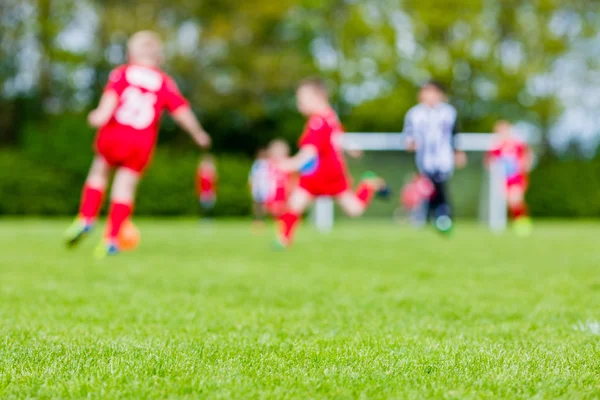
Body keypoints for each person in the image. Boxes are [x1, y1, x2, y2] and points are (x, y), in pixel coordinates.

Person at [64, 31, 211, 257]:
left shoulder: (122, 73)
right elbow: (182, 112)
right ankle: (111, 239)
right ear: (159, 58)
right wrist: (198, 133)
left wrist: (100, 115)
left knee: (99, 172)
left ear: (130, 53)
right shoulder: (164, 81)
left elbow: (110, 101)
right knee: (125, 187)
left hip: (114, 134)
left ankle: (86, 217)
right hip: (141, 142)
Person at [275, 78, 387, 248]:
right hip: (320, 173)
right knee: (295, 204)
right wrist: (350, 147)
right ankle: (283, 241)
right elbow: (337, 136)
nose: (299, 105)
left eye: (302, 100)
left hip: (327, 173)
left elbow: (310, 152)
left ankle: (368, 184)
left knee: (354, 210)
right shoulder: (330, 116)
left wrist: (290, 164)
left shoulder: (318, 122)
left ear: (317, 97)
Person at [403, 80, 466, 235]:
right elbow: (408, 136)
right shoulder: (414, 113)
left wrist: (458, 152)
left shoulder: (448, 112)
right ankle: (437, 217)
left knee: (439, 187)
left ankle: (442, 217)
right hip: (424, 160)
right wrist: (410, 143)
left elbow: (455, 134)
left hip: (443, 159)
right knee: (428, 189)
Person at [486, 120, 534, 236]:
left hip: (517, 177)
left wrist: (525, 164)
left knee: (515, 199)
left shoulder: (518, 145)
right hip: (504, 180)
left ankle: (523, 224)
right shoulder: (496, 148)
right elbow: (489, 162)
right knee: (511, 202)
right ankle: (519, 222)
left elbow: (527, 157)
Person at [265, 139, 294, 218]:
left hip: (284, 190)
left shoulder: (288, 162)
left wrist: (291, 188)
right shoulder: (268, 164)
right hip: (272, 190)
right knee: (274, 209)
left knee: (285, 208)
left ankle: (284, 221)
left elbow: (292, 178)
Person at [248, 149, 271, 224]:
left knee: (263, 204)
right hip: (258, 187)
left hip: (265, 187)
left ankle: (261, 219)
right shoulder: (257, 164)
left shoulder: (268, 163)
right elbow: (253, 177)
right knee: (257, 204)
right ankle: (257, 219)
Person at [196, 154, 218, 219]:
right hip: (203, 190)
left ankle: (209, 217)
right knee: (203, 205)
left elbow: (215, 181)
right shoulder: (201, 170)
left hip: (210, 190)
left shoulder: (212, 169)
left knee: (210, 205)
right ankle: (203, 217)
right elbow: (198, 181)